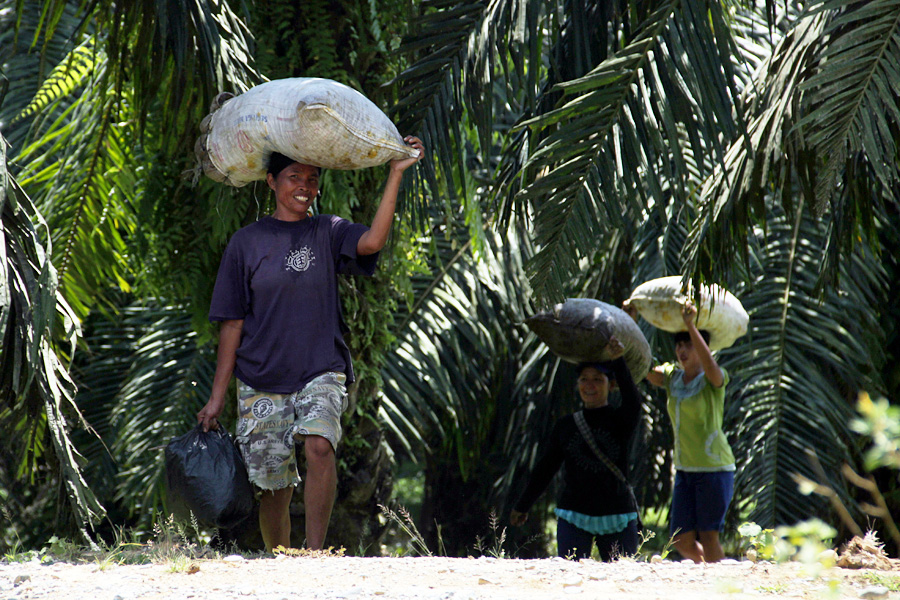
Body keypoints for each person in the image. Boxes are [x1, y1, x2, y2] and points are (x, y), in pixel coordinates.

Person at [197, 136, 424, 552]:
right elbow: (232, 324)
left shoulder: (327, 230)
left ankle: (315, 554)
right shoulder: (245, 243)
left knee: (320, 446)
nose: (304, 185)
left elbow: (372, 242)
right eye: (294, 176)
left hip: (321, 368)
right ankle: (281, 559)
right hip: (261, 378)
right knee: (275, 486)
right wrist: (215, 399)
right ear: (271, 181)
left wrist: (395, 173)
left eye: (313, 178)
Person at [510, 337, 642, 560]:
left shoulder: (621, 421)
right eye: (584, 379)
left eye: (597, 379)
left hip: (617, 514)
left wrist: (618, 360)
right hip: (574, 515)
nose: (589, 385)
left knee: (624, 576)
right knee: (570, 574)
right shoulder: (566, 426)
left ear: (611, 385)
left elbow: (633, 402)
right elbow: (546, 467)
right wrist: (523, 504)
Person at [625, 299, 735, 563]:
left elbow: (711, 368)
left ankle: (719, 581)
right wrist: (631, 323)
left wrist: (690, 326)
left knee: (708, 537)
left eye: (689, 344)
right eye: (679, 345)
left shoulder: (715, 378)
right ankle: (714, 572)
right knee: (680, 541)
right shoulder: (672, 376)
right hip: (685, 470)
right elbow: (641, 366)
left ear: (703, 347)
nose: (682, 350)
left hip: (714, 469)